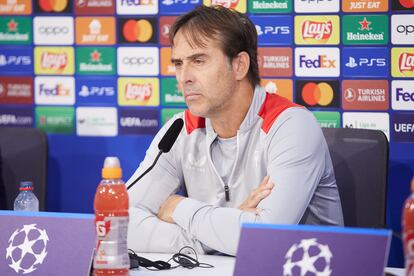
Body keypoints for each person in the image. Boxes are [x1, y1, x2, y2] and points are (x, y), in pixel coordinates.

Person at [127, 5, 343, 256]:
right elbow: (120, 222)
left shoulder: (291, 125)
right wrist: (219, 237)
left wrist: (179, 207)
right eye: (178, 63)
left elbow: (265, 240)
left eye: (198, 61)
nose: (184, 77)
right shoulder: (179, 129)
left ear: (239, 65)